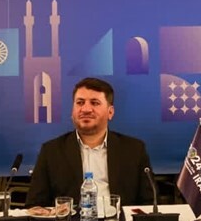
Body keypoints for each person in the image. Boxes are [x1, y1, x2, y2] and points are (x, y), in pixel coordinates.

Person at [25, 77, 154, 207]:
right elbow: (35, 205)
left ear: (110, 112)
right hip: (70, 220)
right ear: (72, 111)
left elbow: (150, 203)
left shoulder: (134, 150)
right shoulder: (51, 151)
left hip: (119, 218)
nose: (86, 109)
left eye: (95, 103)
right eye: (80, 103)